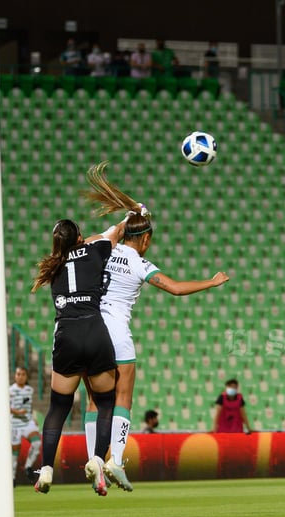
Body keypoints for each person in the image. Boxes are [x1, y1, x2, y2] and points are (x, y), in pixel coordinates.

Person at [80, 162, 229, 490]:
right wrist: (212, 281)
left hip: (89, 330)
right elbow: (175, 288)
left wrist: (122, 221)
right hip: (117, 332)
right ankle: (115, 460)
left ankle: (94, 459)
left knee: (94, 400)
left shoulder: (103, 249)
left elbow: (90, 240)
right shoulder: (139, 263)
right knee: (123, 396)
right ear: (145, 239)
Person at [31, 168, 135, 496]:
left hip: (66, 335)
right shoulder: (95, 250)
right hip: (95, 331)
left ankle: (46, 467)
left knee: (58, 407)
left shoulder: (52, 264)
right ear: (80, 237)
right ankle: (96, 460)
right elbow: (115, 232)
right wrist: (134, 213)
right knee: (105, 401)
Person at [9, 366, 41, 486]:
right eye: (18, 374)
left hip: (27, 422)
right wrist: (16, 412)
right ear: (15, 376)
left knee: (37, 442)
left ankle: (28, 467)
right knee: (15, 452)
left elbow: (29, 406)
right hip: (15, 424)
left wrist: (33, 418)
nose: (20, 376)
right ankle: (12, 478)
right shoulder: (10, 390)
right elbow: (4, 406)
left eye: (23, 374)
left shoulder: (29, 390)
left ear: (26, 377)